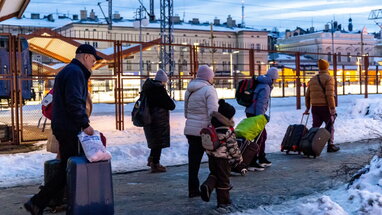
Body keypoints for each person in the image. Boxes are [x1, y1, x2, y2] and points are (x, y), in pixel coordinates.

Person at [24, 44, 101, 215]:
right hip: (69, 127)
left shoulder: (69, 71)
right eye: (93, 61)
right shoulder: (75, 73)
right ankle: (39, 202)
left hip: (63, 125)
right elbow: (74, 102)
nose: (93, 65)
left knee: (67, 167)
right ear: (86, 56)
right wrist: (84, 124)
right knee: (68, 168)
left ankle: (42, 202)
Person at [200, 99, 242, 209]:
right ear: (228, 117)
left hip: (212, 157)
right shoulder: (227, 130)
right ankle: (223, 202)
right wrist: (238, 158)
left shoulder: (212, 126)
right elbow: (232, 147)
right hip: (223, 159)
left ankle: (207, 185)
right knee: (223, 180)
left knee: (214, 174)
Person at [184, 65, 218, 198]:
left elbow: (186, 113)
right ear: (209, 77)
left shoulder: (189, 89)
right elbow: (213, 113)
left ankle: (192, 190)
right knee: (215, 160)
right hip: (205, 132)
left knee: (193, 162)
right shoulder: (209, 90)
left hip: (190, 130)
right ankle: (211, 185)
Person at [245, 67, 279, 171]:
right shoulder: (265, 87)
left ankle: (261, 157)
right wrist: (261, 118)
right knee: (260, 137)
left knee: (262, 136)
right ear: (273, 78)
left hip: (251, 112)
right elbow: (261, 103)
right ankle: (252, 161)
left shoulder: (262, 83)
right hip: (256, 114)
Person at [142, 69, 176, 173]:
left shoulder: (148, 89)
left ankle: (152, 159)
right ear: (162, 81)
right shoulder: (159, 90)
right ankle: (155, 164)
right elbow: (171, 105)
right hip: (158, 120)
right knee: (158, 142)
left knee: (154, 141)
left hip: (148, 119)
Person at [304, 59, 340, 152]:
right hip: (325, 107)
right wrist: (332, 108)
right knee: (330, 127)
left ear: (319, 67)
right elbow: (329, 95)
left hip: (315, 107)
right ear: (327, 67)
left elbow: (307, 95)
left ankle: (309, 144)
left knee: (315, 127)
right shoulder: (329, 78)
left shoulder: (312, 79)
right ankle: (330, 145)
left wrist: (308, 108)